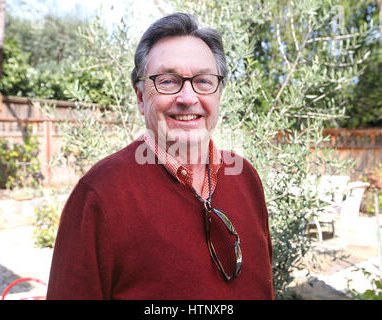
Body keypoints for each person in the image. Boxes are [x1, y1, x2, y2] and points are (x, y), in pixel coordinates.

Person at [46, 12, 274, 300]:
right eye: (167, 81)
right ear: (141, 98)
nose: (188, 98)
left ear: (219, 93)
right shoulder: (99, 196)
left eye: (203, 81)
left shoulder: (245, 177)